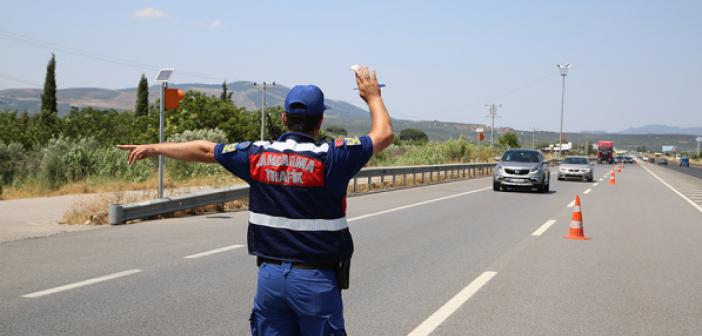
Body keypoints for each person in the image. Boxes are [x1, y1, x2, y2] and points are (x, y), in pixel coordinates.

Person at [118, 66, 393, 335]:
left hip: (270, 279)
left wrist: (153, 148)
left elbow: (204, 149)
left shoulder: (255, 155)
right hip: (316, 281)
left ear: (284, 119)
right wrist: (372, 97)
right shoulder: (334, 157)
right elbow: (383, 135)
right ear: (320, 121)